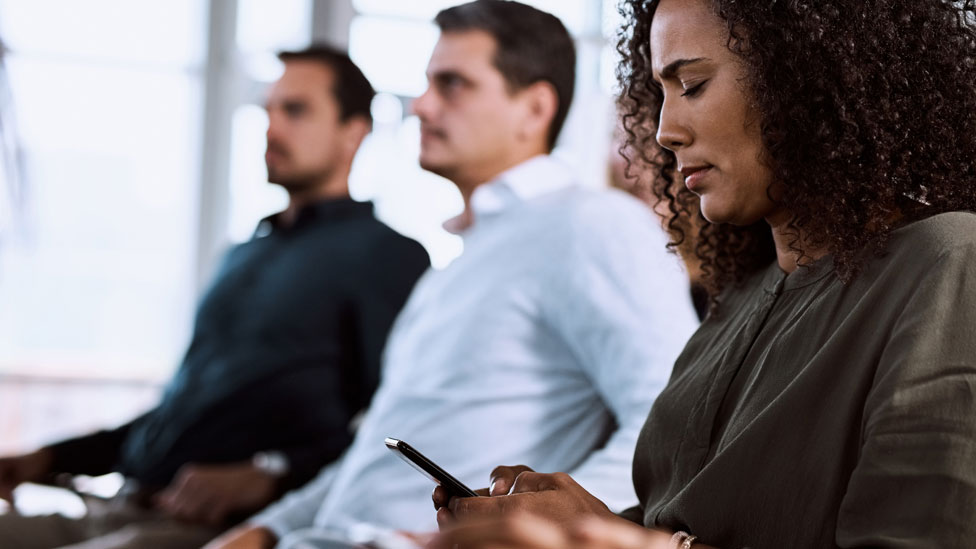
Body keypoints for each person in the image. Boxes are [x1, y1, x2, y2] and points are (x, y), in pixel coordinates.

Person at [428, 0, 976, 547]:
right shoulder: (741, 300)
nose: (665, 131)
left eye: (690, 84)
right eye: (660, 94)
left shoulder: (949, 262)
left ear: (809, 78)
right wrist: (580, 523)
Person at [207, 2, 698, 548]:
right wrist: (266, 528)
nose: (420, 105)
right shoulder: (457, 266)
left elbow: (670, 427)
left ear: (534, 109)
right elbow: (371, 457)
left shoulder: (592, 224)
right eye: (425, 84)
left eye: (452, 84)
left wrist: (525, 529)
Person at [0, 44, 430, 549]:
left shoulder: (386, 256)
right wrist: (46, 458)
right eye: (267, 110)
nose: (271, 128)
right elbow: (180, 414)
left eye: (295, 110)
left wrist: (271, 470)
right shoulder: (244, 254)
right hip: (118, 504)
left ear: (353, 132)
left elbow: (392, 425)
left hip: (209, 530)